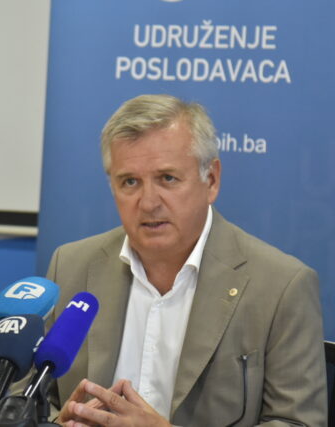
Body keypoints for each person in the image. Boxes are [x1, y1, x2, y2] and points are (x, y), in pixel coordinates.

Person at [47, 94, 326, 426]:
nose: (148, 202)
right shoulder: (71, 265)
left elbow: (298, 422)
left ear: (211, 180)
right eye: (130, 182)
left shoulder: (281, 286)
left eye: (167, 178)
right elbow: (24, 403)